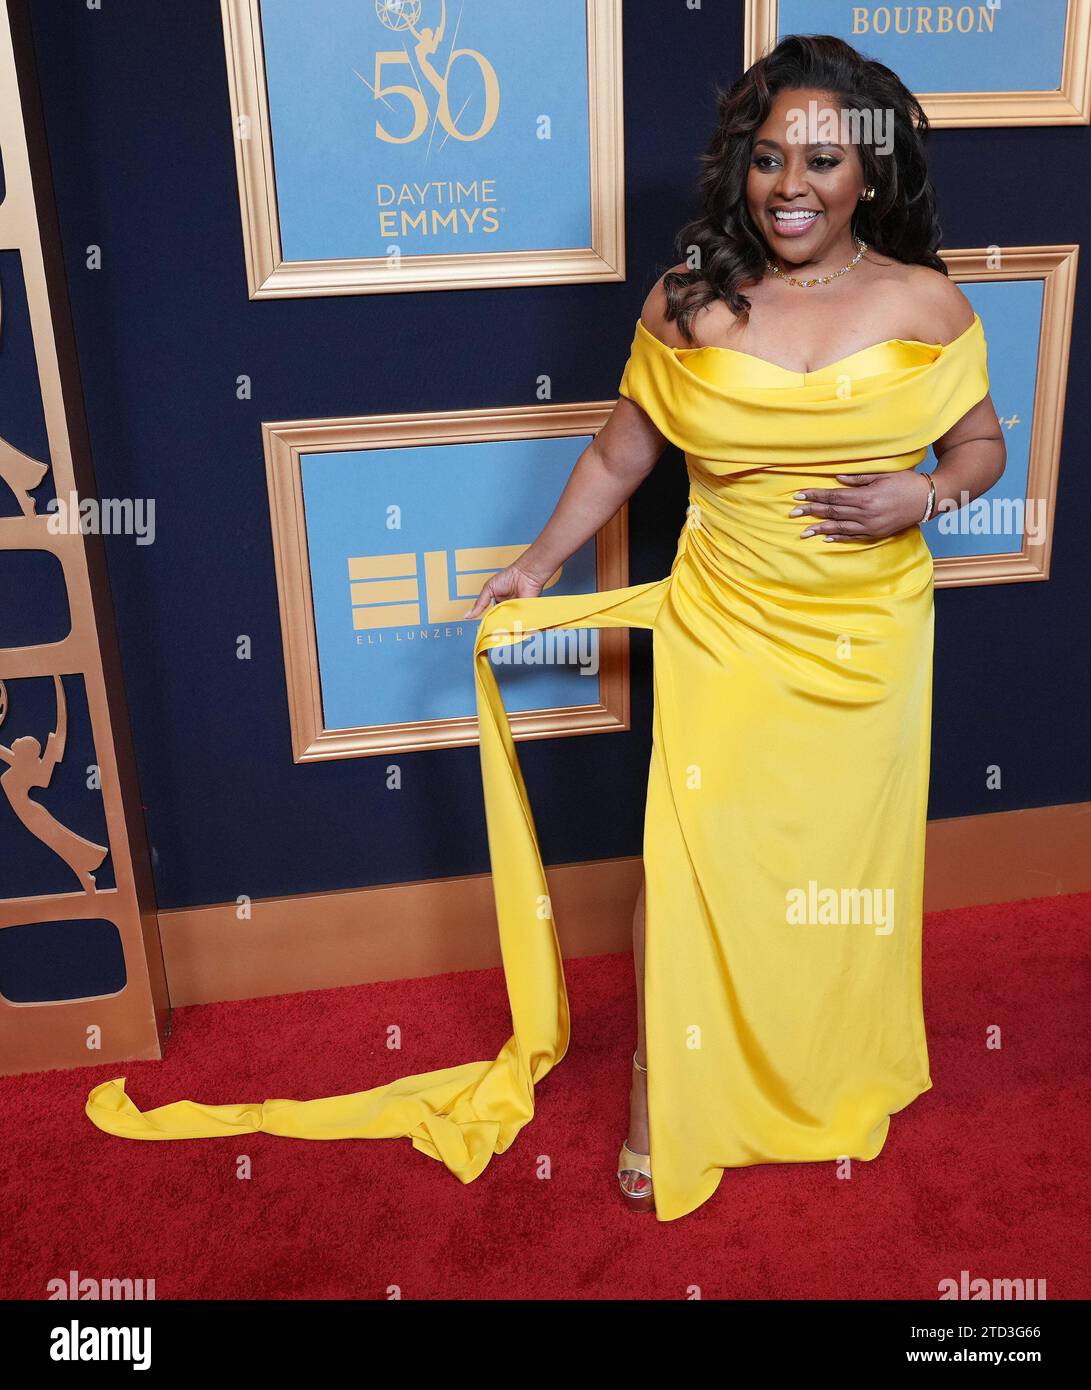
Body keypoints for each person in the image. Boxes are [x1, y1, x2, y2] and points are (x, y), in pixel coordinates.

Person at [85, 35, 1004, 1225]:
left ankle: (818, 1071)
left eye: (822, 160)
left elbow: (979, 446)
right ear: (743, 167)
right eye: (769, 156)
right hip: (729, 630)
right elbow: (623, 449)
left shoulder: (926, 300)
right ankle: (658, 1090)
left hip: (870, 641)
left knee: (840, 873)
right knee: (695, 870)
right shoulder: (687, 303)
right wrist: (532, 563)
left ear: (866, 176)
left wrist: (921, 497)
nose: (790, 185)